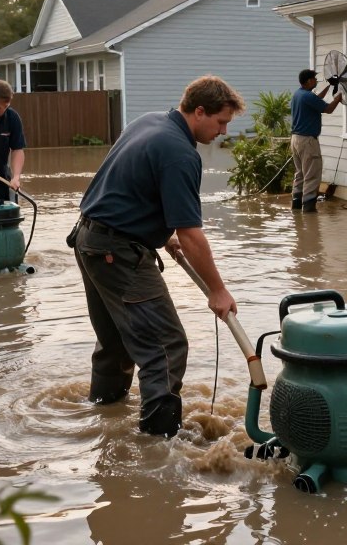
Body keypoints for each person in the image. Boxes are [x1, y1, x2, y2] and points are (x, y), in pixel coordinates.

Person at [71, 75, 245, 438]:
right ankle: (157, 446)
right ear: (199, 112)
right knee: (166, 346)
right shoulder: (180, 154)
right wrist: (218, 290)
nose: (223, 131)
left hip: (89, 241)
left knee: (116, 343)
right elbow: (192, 235)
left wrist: (161, 234)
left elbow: (130, 185)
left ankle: (103, 418)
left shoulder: (148, 122)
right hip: (117, 253)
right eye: (220, 122)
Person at [290, 68, 342, 212]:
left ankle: (296, 207)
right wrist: (339, 97)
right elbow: (328, 109)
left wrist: (330, 86)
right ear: (308, 81)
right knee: (312, 175)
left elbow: (316, 100)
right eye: (314, 78)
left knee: (300, 173)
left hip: (295, 139)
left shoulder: (298, 94)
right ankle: (308, 211)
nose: (316, 80)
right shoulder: (308, 96)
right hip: (307, 141)